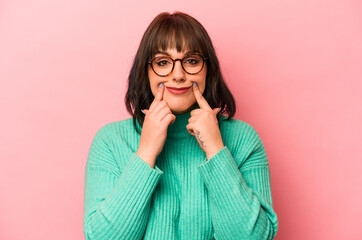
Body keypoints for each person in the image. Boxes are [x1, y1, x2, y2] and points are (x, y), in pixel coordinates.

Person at [83, 11, 278, 240]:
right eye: (163, 62)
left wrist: (216, 150)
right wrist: (145, 152)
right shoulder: (110, 141)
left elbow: (254, 237)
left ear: (208, 69)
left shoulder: (243, 138)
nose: (178, 75)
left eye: (192, 61)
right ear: (146, 72)